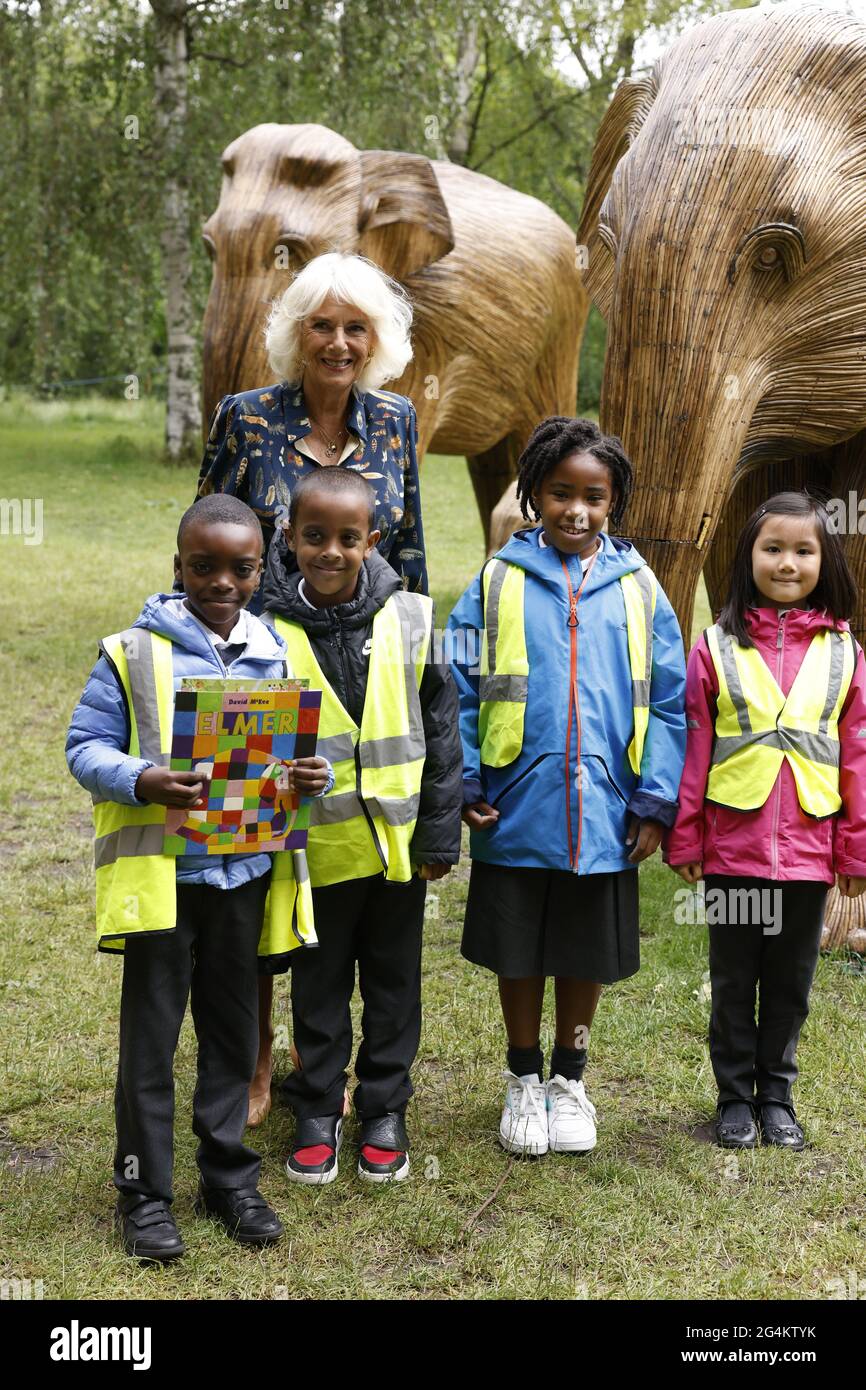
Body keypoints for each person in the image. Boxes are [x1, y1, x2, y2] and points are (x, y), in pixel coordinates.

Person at [66, 495, 330, 1262]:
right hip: (163, 879)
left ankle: (228, 1177)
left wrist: (314, 771)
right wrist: (142, 778)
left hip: (243, 873)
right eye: (203, 566)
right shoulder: (132, 652)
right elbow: (84, 747)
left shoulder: (279, 650)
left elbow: (315, 751)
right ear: (177, 565)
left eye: (241, 568)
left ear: (261, 568)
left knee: (230, 1028)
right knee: (150, 1039)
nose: (222, 581)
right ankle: (144, 1192)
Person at [447, 416, 686, 1157]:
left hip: (607, 810)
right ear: (534, 496)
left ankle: (569, 1078)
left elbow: (670, 699)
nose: (576, 510)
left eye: (594, 496)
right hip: (513, 807)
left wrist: (653, 798)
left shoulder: (641, 587)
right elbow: (456, 685)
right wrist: (465, 777)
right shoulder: (495, 582)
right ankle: (522, 1077)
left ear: (613, 501)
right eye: (559, 493)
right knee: (518, 951)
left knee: (583, 952)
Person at [263, 467, 462, 1184]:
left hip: (396, 853)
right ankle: (317, 1105)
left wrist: (441, 833)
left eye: (349, 538)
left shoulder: (410, 619)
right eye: (313, 536)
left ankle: (384, 1105)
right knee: (317, 987)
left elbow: (442, 733)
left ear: (373, 540)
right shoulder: (267, 628)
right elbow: (247, 744)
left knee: (392, 984)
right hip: (314, 857)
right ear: (288, 538)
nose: (331, 551)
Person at [664, 491, 866, 1150]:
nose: (787, 562)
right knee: (733, 980)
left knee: (790, 983)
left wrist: (855, 852)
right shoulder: (716, 648)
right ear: (747, 556)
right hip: (734, 853)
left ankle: (776, 1095)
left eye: (803, 550)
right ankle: (733, 1098)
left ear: (825, 559)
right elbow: (695, 748)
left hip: (809, 853)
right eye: (772, 548)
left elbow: (856, 757)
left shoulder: (844, 655)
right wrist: (687, 834)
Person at [197, 251, 428, 605]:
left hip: (369, 643)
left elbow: (409, 551)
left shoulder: (396, 418)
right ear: (298, 334)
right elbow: (203, 541)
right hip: (267, 645)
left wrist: (416, 644)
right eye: (322, 325)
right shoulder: (246, 418)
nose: (338, 343)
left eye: (355, 328)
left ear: (374, 341)